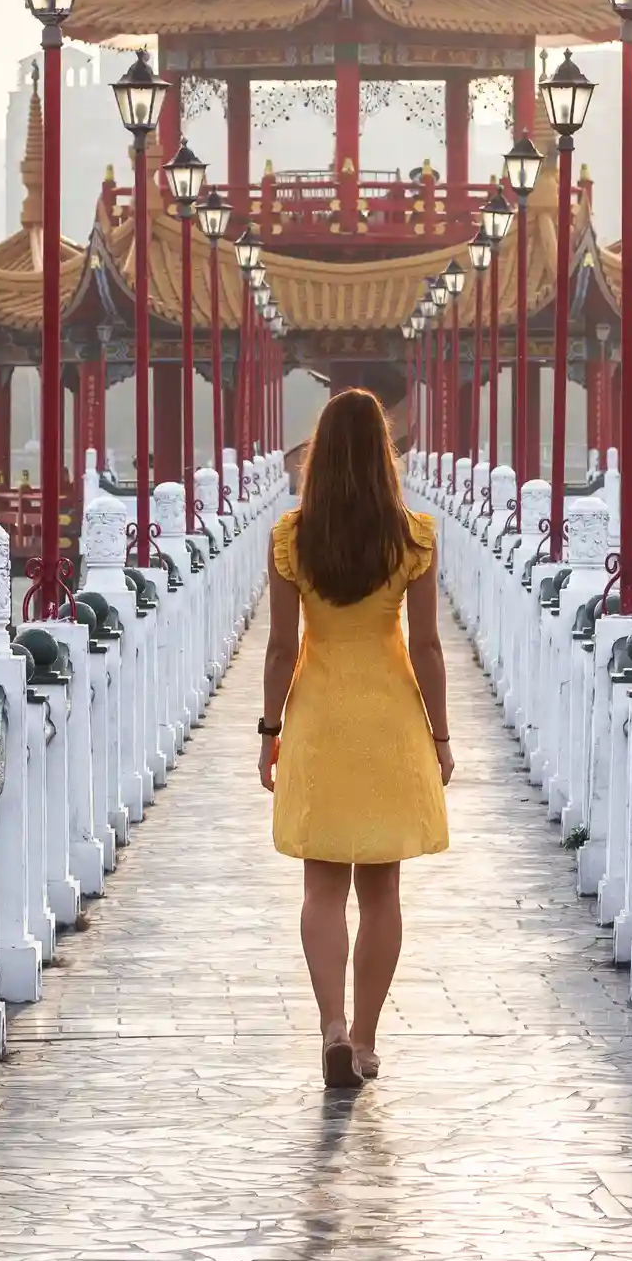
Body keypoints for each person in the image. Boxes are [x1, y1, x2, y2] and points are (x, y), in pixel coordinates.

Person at [257, 388, 452, 1089]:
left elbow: (282, 648)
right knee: (381, 891)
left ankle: (331, 1025)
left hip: (317, 718)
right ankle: (366, 1039)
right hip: (390, 717)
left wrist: (269, 729)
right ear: (383, 455)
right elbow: (427, 646)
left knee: (320, 887)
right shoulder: (413, 535)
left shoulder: (291, 535)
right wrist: (442, 735)